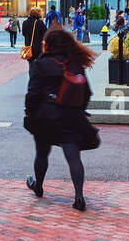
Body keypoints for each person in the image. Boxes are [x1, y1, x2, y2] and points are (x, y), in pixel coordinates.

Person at [24, 26, 99, 212]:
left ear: (48, 44)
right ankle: (79, 196)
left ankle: (39, 186)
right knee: (73, 157)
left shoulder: (41, 64)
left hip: (46, 116)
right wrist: (79, 110)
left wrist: (30, 114)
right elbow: (87, 92)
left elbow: (33, 93)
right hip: (71, 117)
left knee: (42, 153)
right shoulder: (74, 63)